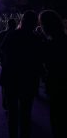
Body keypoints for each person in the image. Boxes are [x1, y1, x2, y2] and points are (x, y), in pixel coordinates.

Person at [0, 11, 42, 138]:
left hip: (11, 78)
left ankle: (13, 135)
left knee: (13, 113)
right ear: (35, 23)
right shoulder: (35, 38)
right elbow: (39, 60)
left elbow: (3, 50)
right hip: (28, 80)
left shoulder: (12, 35)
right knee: (25, 113)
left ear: (22, 21)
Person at [39, 10, 67, 138]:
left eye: (43, 24)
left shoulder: (50, 44)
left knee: (57, 118)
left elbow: (45, 62)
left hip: (56, 84)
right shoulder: (63, 40)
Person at [0, 19, 17, 110]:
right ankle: (13, 105)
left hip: (6, 62)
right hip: (16, 64)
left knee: (5, 84)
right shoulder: (18, 34)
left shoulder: (2, 34)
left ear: (8, 24)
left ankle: (5, 103)